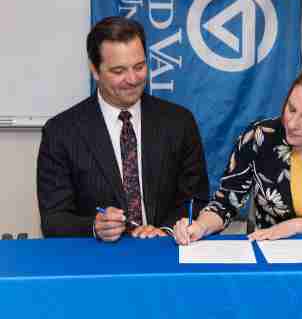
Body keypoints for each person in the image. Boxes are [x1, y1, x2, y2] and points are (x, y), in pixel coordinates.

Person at [37, 16, 210, 241]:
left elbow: (196, 199)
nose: (132, 79)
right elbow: (53, 219)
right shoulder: (61, 132)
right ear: (95, 70)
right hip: (97, 263)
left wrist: (166, 230)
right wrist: (94, 227)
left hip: (166, 254)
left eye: (139, 67)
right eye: (118, 71)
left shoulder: (179, 122)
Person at [174, 62, 302, 244]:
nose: (292, 123)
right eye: (291, 108)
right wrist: (200, 227)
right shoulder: (259, 137)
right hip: (271, 260)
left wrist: (298, 226)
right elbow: (225, 203)